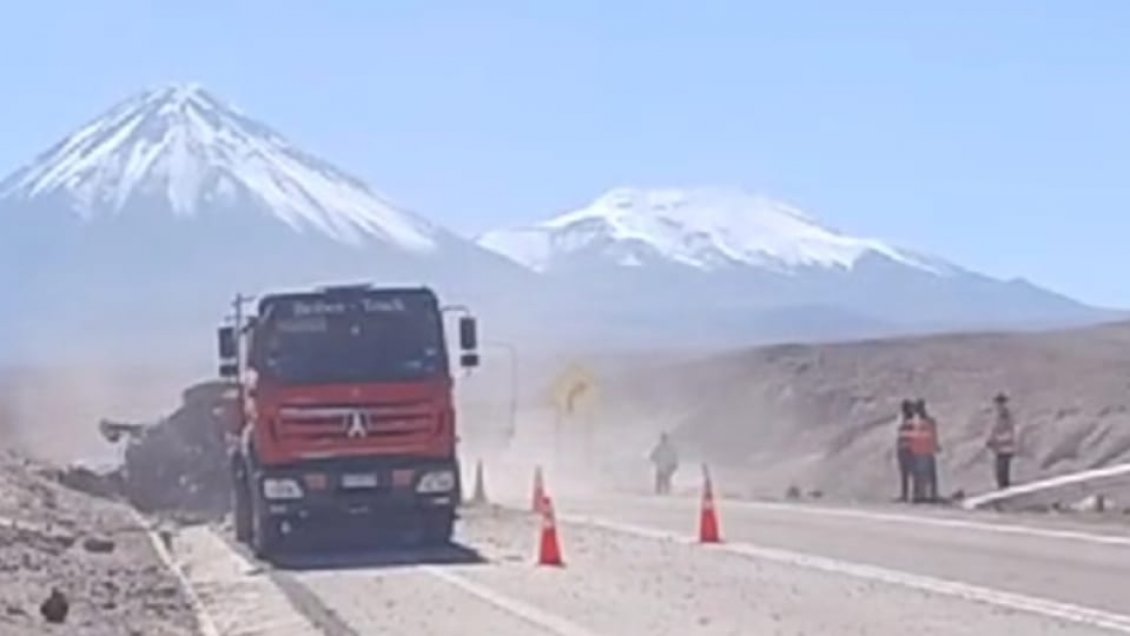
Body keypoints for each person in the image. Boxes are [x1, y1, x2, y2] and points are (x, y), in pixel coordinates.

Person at [910, 399, 940, 503]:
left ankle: (923, 494)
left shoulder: (916, 422)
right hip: (923, 451)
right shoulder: (924, 422)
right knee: (925, 475)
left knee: (923, 475)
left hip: (922, 451)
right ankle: (924, 495)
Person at [986, 393, 1017, 489]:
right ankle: (1002, 488)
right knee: (1000, 472)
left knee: (1003, 471)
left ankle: (1005, 489)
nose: (998, 406)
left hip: (1005, 448)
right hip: (999, 449)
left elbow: (1009, 432)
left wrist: (997, 440)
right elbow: (994, 430)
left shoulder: (1006, 416)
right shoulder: (997, 417)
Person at [895, 399, 916, 502]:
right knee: (905, 474)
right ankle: (905, 494)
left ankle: (911, 494)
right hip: (903, 450)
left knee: (910, 474)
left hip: (909, 450)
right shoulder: (904, 420)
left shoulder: (911, 421)